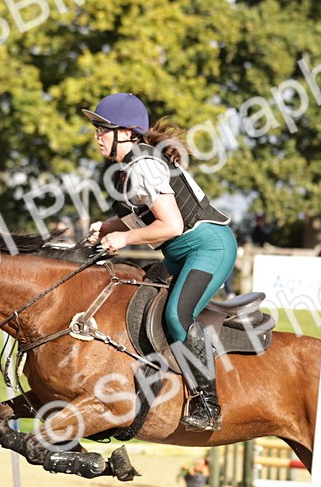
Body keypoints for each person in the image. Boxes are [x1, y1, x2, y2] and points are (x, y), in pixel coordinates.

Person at [83, 92, 234, 432]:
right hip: (181, 254)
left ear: (126, 132)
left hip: (209, 248)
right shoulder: (125, 172)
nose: (97, 135)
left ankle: (207, 405)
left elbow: (171, 225)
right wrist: (107, 227)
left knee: (176, 316)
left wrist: (123, 238)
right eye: (96, 128)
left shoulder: (145, 165)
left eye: (103, 129)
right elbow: (141, 218)